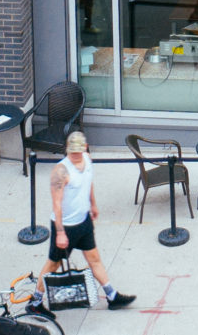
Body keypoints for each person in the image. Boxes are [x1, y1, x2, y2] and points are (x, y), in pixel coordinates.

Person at [37, 132, 136, 311]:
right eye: (72, 152)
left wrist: (93, 204)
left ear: (84, 148)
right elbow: (57, 204)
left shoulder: (87, 160)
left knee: (94, 258)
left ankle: (112, 296)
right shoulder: (60, 171)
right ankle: (35, 302)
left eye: (78, 151)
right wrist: (59, 232)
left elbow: (88, 183)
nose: (75, 155)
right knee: (54, 263)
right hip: (65, 226)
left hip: (83, 221)